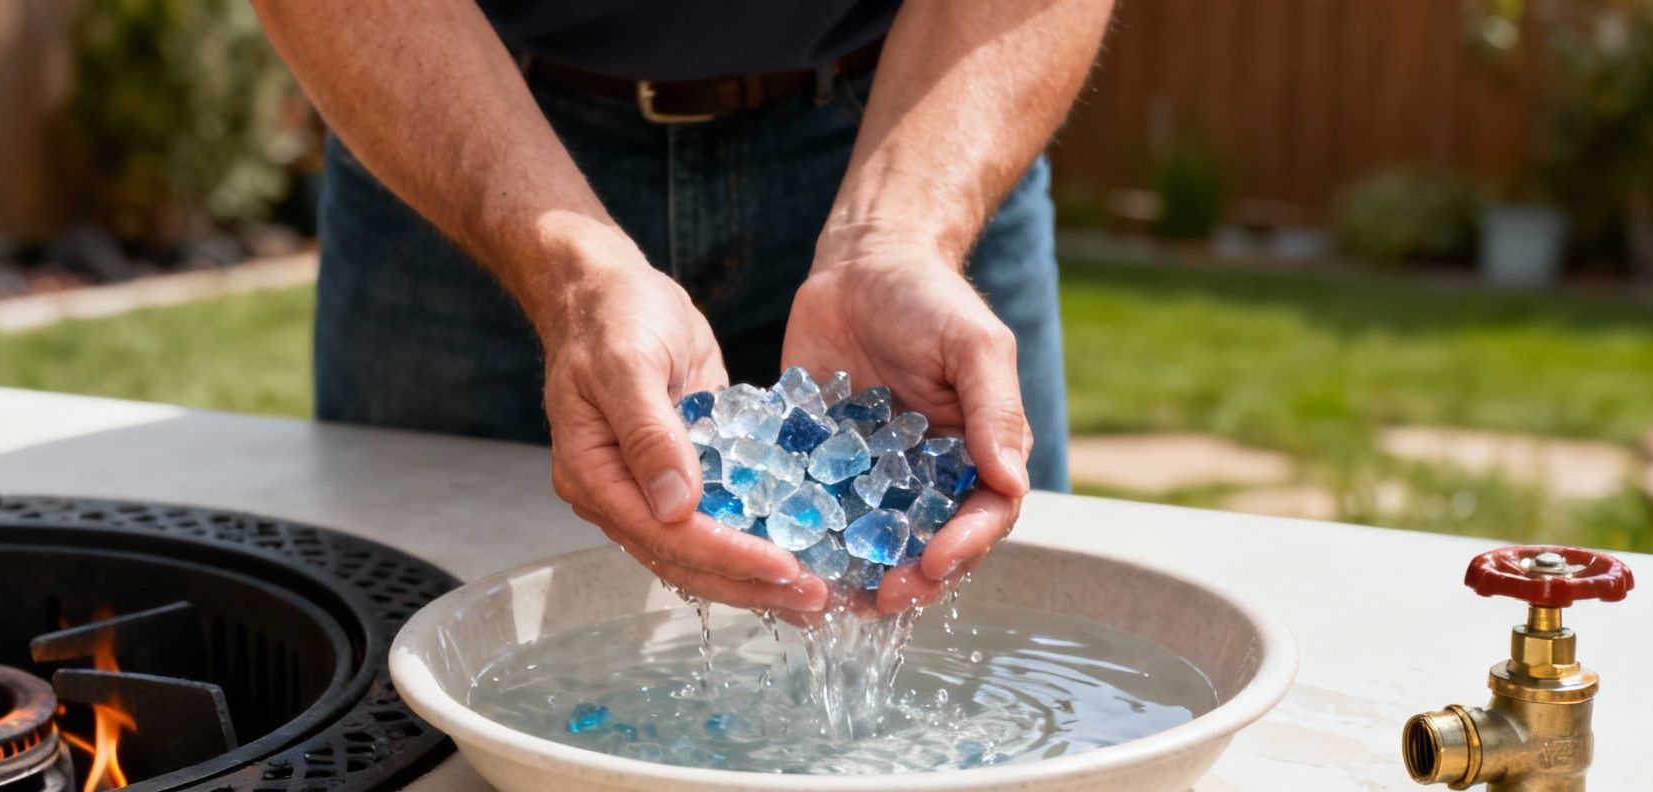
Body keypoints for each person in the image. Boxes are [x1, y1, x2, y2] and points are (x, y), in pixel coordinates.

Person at [252, 1, 1114, 616]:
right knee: (414, 632)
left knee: (1007, 627)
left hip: (916, 113)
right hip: (452, 112)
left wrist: (898, 236)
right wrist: (572, 274)